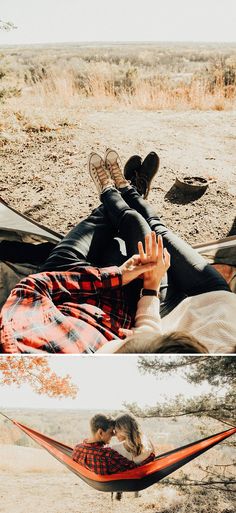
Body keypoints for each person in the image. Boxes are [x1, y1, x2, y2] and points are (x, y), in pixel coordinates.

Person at [0, 149, 235, 353]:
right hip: (151, 301)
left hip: (69, 286)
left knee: (109, 225)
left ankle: (112, 192)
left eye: (124, 341)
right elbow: (145, 334)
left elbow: (31, 288)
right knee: (140, 225)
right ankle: (128, 191)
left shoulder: (24, 346)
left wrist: (117, 276)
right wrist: (146, 287)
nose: (125, 335)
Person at [72, 413, 153, 474]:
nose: (114, 435)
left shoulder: (77, 449)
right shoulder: (108, 455)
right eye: (111, 432)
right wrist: (150, 455)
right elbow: (134, 469)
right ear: (100, 432)